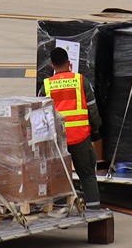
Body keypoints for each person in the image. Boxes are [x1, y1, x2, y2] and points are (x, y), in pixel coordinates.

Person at [41, 47, 100, 207]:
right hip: (80, 137)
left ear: (52, 66)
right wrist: (95, 130)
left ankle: (61, 211)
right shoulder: (81, 81)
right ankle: (94, 211)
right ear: (69, 63)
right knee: (87, 175)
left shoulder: (47, 86)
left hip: (58, 140)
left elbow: (40, 116)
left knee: (59, 177)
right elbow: (92, 109)